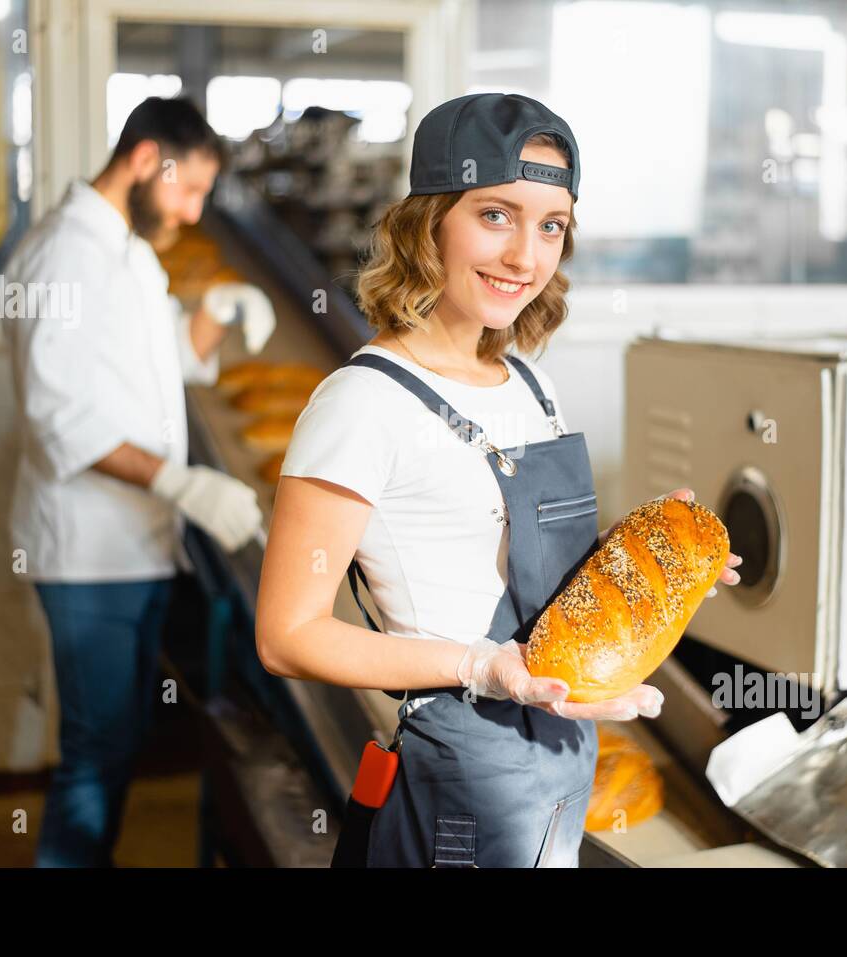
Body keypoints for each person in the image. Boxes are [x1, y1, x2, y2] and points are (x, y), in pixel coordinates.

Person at [256, 92, 742, 868]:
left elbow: (528, 578)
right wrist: (482, 666)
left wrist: (650, 563)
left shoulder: (525, 383)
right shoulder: (362, 403)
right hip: (461, 786)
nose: (525, 256)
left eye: (551, 225)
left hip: (559, 760)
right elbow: (286, 635)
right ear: (429, 221)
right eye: (495, 215)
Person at [2, 96, 273, 866]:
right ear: (148, 159)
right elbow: (62, 417)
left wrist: (215, 312)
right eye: (189, 190)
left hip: (140, 546)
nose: (191, 214)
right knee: (95, 747)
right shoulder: (64, 257)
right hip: (89, 554)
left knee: (117, 738)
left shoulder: (129, 252)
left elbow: (163, 369)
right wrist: (184, 484)